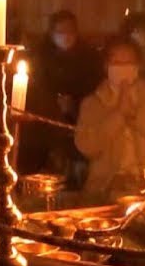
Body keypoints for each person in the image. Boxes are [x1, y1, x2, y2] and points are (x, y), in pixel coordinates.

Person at [75, 37, 145, 202]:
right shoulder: (92, 103)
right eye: (117, 62)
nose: (123, 68)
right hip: (104, 188)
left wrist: (132, 114)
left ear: (138, 66)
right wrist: (118, 115)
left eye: (128, 62)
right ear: (106, 66)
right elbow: (87, 146)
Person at [22, 10, 104, 180]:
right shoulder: (40, 57)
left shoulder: (89, 58)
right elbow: (33, 89)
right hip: (43, 123)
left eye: (69, 31)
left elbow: (95, 89)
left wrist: (74, 105)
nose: (65, 36)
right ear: (51, 33)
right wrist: (53, 103)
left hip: (79, 120)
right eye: (60, 32)